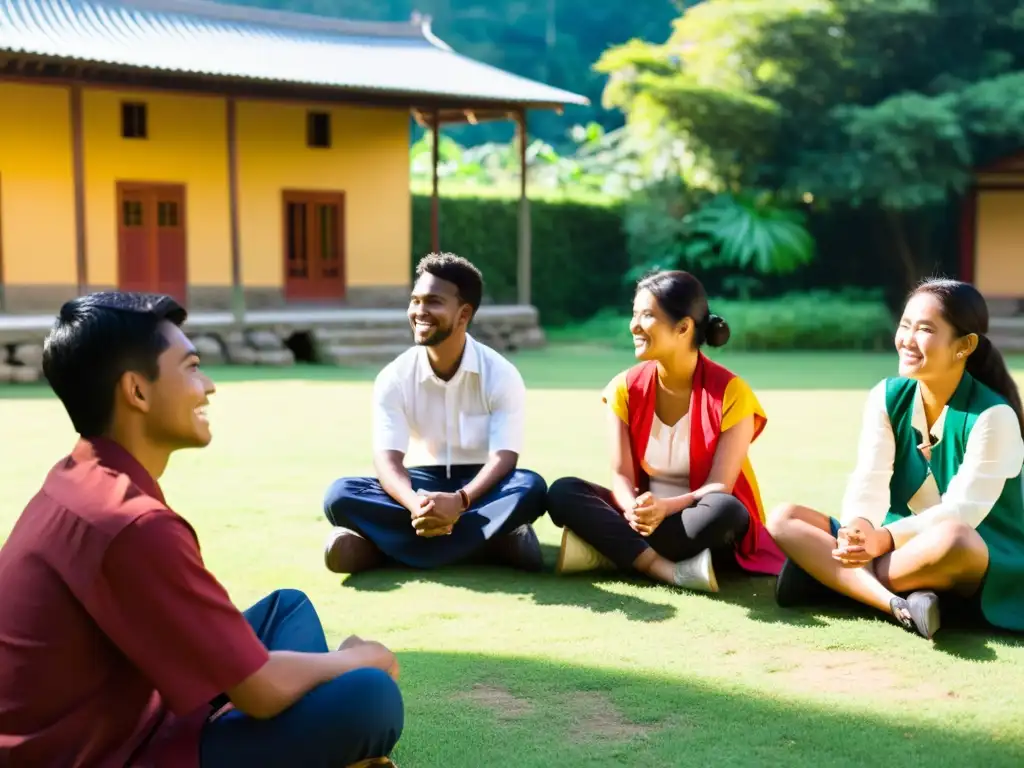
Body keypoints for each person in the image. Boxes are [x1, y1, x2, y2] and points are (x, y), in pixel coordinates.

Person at [0, 292, 403, 768]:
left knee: (286, 609)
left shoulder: (78, 476)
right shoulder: (130, 522)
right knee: (369, 697)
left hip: (132, 709)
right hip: (114, 752)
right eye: (191, 368)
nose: (207, 385)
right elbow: (260, 692)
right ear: (137, 392)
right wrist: (355, 660)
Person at [768, 278, 1024, 640]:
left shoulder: (994, 416)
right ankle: (898, 600)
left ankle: (824, 581)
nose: (907, 339)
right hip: (897, 540)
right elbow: (869, 477)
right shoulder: (886, 396)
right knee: (784, 518)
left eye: (925, 329)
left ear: (964, 345)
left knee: (953, 538)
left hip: (981, 549)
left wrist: (883, 539)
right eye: (905, 325)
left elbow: (963, 512)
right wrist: (857, 530)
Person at [546, 270, 785, 591]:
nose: (633, 326)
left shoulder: (731, 392)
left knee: (726, 510)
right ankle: (662, 567)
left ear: (684, 327)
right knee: (563, 491)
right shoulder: (624, 388)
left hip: (696, 517)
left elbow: (719, 486)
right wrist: (632, 509)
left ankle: (607, 550)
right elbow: (621, 475)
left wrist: (666, 508)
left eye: (647, 315)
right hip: (643, 517)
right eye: (634, 314)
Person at [322, 253, 547, 574]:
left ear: (464, 313)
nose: (419, 312)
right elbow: (388, 460)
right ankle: (493, 544)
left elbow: (504, 457)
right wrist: (415, 505)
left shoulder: (501, 373)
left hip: (480, 488)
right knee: (340, 494)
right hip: (419, 485)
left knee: (531, 487)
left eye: (433, 302)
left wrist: (461, 501)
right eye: (415, 301)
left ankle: (380, 550)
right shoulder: (394, 376)